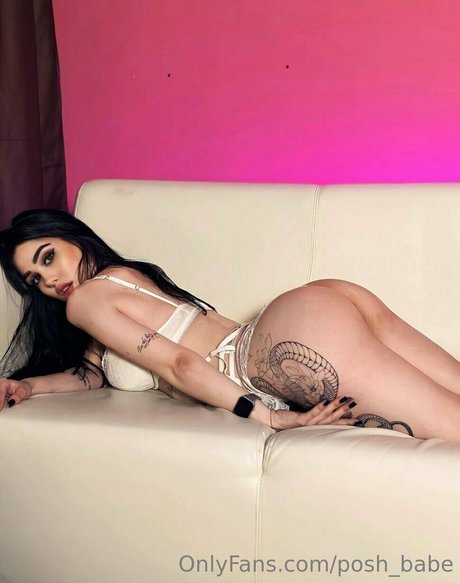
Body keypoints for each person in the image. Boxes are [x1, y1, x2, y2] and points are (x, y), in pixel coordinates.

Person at [1, 209, 460, 442]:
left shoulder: (87, 300)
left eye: (48, 257)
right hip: (312, 306)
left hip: (266, 352)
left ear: (70, 235)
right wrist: (28, 386)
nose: (50, 280)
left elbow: (181, 364)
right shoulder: (120, 281)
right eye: (35, 279)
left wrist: (271, 418)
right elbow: (90, 372)